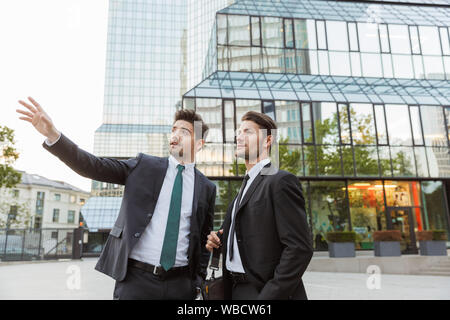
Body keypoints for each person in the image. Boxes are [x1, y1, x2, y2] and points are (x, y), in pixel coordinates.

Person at [17, 97, 216, 300]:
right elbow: (94, 166)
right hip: (136, 281)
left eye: (185, 132)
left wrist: (197, 281)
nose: (176, 135)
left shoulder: (206, 187)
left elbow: (204, 239)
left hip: (180, 286)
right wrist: (53, 135)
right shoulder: (144, 166)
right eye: (174, 130)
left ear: (199, 143)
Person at [206, 111, 313, 300]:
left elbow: (299, 248)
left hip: (262, 292)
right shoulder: (244, 188)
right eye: (238, 132)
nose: (239, 137)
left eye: (247, 132)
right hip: (235, 289)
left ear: (267, 140)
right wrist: (218, 240)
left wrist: (269, 296)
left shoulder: (280, 181)